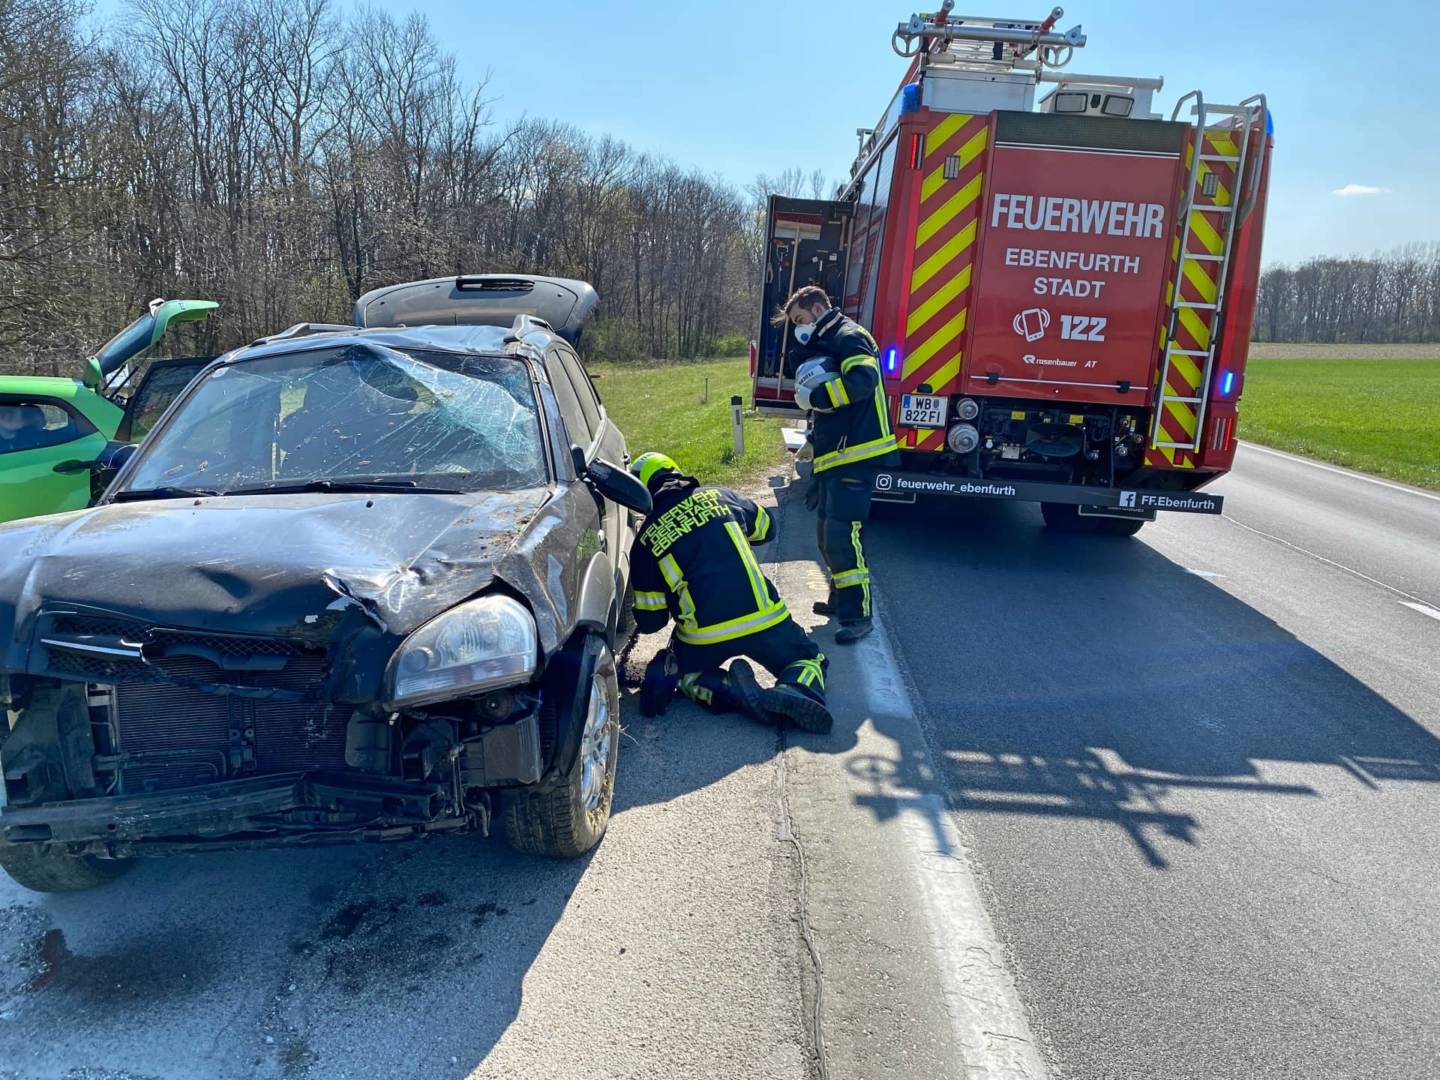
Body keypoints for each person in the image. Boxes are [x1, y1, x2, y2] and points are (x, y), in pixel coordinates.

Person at [628, 451, 832, 734]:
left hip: (703, 637)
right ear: (675, 471)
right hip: (765, 620)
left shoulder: (644, 542)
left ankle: (727, 690)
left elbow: (652, 623)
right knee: (809, 659)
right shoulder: (721, 495)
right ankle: (796, 688)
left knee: (686, 676)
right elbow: (767, 530)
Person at [775, 285, 899, 644]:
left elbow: (863, 381)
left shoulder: (849, 336)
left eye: (800, 319)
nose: (799, 327)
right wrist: (813, 442)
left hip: (858, 452)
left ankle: (858, 615)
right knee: (827, 533)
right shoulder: (829, 341)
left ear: (817, 309)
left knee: (844, 535)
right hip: (838, 453)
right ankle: (839, 598)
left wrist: (817, 396)